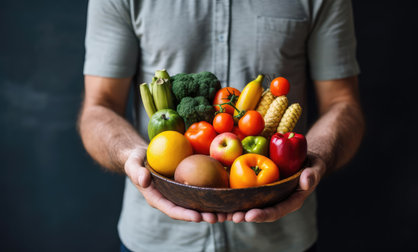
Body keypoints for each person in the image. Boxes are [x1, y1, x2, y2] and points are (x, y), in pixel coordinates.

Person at [78, 0, 364, 251]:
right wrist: (130, 155)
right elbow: (98, 106)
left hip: (280, 240)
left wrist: (315, 157)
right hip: (158, 240)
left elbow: (343, 103)